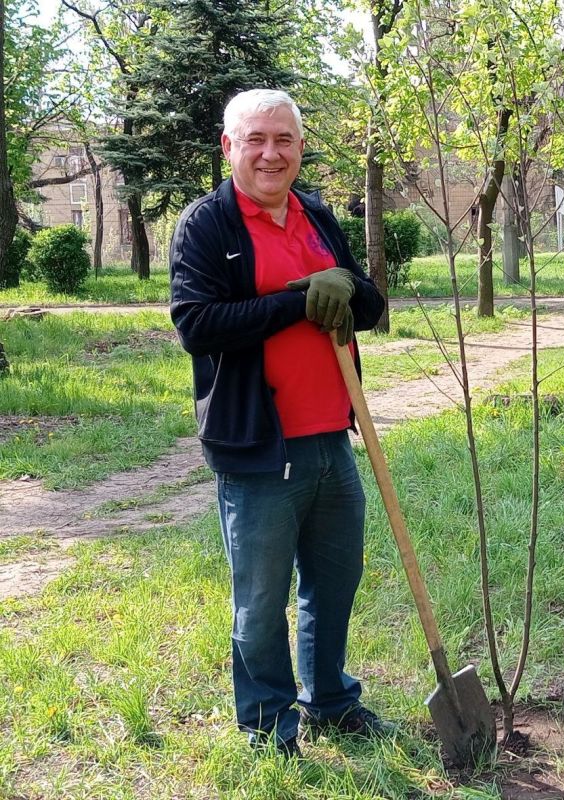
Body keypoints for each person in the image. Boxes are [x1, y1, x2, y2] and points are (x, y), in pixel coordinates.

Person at [170, 89, 387, 758]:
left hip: (331, 437)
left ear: (299, 147)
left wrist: (350, 287)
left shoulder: (316, 213)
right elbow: (197, 325)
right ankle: (267, 724)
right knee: (262, 601)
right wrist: (295, 302)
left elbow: (370, 306)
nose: (272, 152)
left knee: (334, 581)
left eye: (284, 140)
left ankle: (330, 700)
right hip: (258, 449)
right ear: (228, 146)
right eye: (256, 139)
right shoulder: (208, 225)